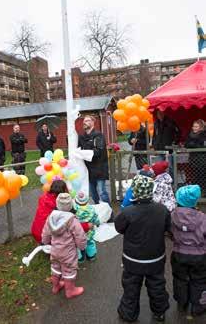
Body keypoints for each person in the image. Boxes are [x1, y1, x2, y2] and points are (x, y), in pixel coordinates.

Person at [114, 175, 170, 322]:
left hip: (133, 259)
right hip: (156, 258)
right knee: (157, 285)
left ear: (135, 192)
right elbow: (168, 228)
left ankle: (128, 314)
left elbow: (119, 227)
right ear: (151, 191)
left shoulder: (127, 212)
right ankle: (159, 312)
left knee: (131, 287)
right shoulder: (162, 210)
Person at [42, 193, 87, 298]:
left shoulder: (51, 217)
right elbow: (79, 235)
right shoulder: (72, 220)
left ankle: (56, 286)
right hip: (68, 252)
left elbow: (46, 232)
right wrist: (82, 246)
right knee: (69, 270)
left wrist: (45, 241)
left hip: (54, 250)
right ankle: (70, 291)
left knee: (55, 267)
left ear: (57, 204)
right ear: (70, 206)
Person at [171, 185, 206, 316]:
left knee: (180, 279)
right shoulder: (202, 218)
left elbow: (170, 231)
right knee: (199, 280)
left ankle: (182, 303)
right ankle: (198, 306)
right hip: (200, 256)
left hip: (179, 254)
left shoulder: (173, 215)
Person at [31, 180, 90, 244]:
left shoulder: (43, 198)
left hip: (36, 231)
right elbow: (72, 224)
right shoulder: (61, 207)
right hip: (47, 237)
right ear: (64, 191)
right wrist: (87, 226)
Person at [78, 115, 111, 206]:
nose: (85, 122)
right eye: (84, 121)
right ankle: (98, 209)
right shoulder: (82, 137)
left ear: (93, 122)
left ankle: (108, 211)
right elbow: (76, 147)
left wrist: (84, 153)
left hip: (99, 168)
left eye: (87, 120)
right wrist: (68, 136)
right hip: (88, 170)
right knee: (93, 194)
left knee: (102, 192)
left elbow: (98, 151)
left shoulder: (98, 135)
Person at [74, 191, 100, 262]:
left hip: (78, 231)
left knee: (77, 245)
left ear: (76, 201)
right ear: (87, 200)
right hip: (89, 231)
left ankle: (80, 258)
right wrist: (98, 223)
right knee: (90, 242)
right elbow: (95, 218)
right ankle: (91, 256)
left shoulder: (75, 209)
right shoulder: (91, 209)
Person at [185, 119, 206, 196]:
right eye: (193, 126)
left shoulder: (204, 135)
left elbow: (201, 145)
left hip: (202, 160)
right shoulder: (190, 134)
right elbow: (186, 144)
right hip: (193, 159)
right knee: (195, 177)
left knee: (202, 176)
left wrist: (192, 144)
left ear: (201, 127)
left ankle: (202, 192)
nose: (194, 128)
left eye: (196, 126)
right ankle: (196, 192)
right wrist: (192, 144)